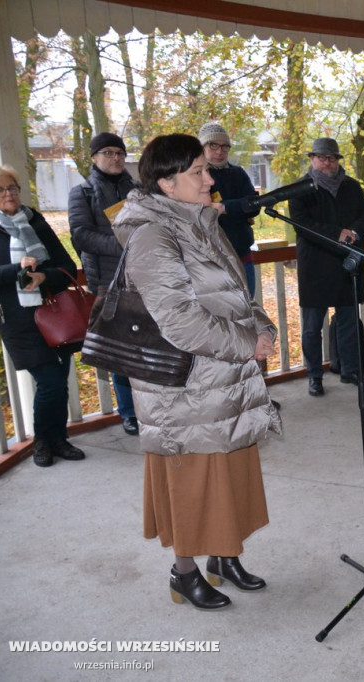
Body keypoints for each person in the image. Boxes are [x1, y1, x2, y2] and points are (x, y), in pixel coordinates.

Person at [111, 134, 280, 609]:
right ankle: (183, 573)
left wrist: (260, 326)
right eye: (199, 172)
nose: (210, 179)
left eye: (208, 169)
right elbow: (180, 320)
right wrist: (247, 345)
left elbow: (232, 290)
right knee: (194, 481)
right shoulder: (152, 234)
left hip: (220, 376)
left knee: (229, 472)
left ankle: (222, 557)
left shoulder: (201, 222)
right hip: (184, 385)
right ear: (167, 184)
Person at [0, 165, 87, 467]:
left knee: (59, 380)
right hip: (17, 320)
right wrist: (17, 270)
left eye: (12, 188)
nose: (8, 194)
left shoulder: (35, 220)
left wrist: (42, 278)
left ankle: (58, 439)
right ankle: (42, 442)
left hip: (52, 313)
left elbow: (64, 265)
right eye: (0, 190)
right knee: (49, 382)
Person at [68, 132, 140, 435]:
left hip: (141, 278)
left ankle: (149, 405)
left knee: (145, 344)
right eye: (108, 153)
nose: (116, 158)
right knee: (119, 351)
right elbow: (81, 235)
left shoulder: (137, 189)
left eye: (120, 153)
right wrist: (123, 243)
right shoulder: (82, 193)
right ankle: (128, 412)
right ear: (95, 157)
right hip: (106, 283)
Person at [290, 137, 364, 395]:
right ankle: (315, 376)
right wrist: (337, 233)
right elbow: (302, 224)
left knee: (349, 322)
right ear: (312, 159)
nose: (328, 162)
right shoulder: (299, 189)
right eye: (322, 157)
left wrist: (355, 233)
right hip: (315, 266)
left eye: (332, 158)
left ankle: (349, 370)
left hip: (347, 265)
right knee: (313, 327)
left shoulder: (351, 186)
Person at [198, 123, 260, 296]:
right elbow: (203, 212)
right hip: (211, 259)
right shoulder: (195, 175)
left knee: (248, 307)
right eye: (213, 145)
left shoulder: (238, 173)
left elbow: (254, 206)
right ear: (202, 147)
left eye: (224, 146)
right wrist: (240, 210)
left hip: (242, 255)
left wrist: (224, 208)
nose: (219, 151)